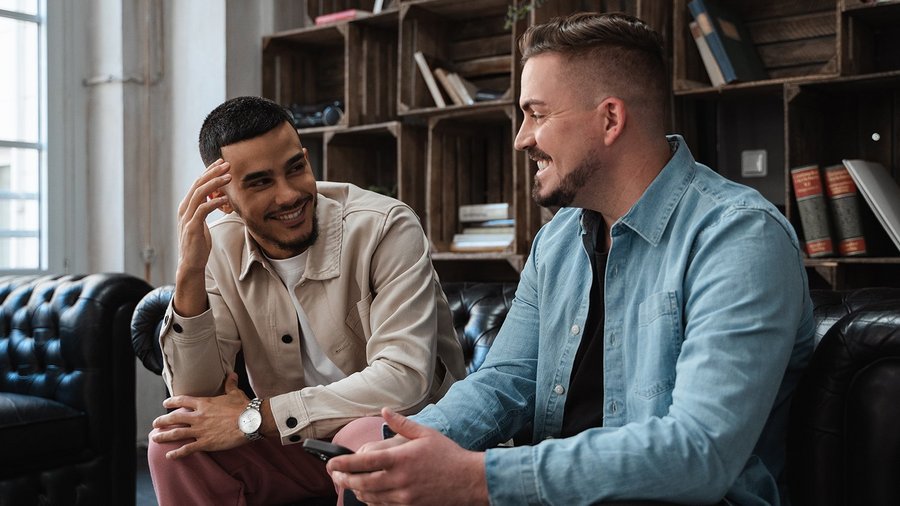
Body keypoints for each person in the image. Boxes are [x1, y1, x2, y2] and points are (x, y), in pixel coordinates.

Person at [328, 12, 815, 505]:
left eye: (537, 114)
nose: (521, 137)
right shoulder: (557, 241)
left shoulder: (739, 236)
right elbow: (504, 383)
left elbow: (698, 452)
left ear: (610, 119)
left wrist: (480, 478)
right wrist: (395, 449)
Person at [147, 95, 465, 505]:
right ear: (222, 199)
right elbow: (196, 400)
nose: (289, 195)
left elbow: (404, 381)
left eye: (295, 168)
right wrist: (189, 272)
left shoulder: (385, 227)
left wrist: (259, 417)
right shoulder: (218, 247)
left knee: (360, 440)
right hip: (295, 445)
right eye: (260, 181)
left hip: (401, 430)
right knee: (173, 446)